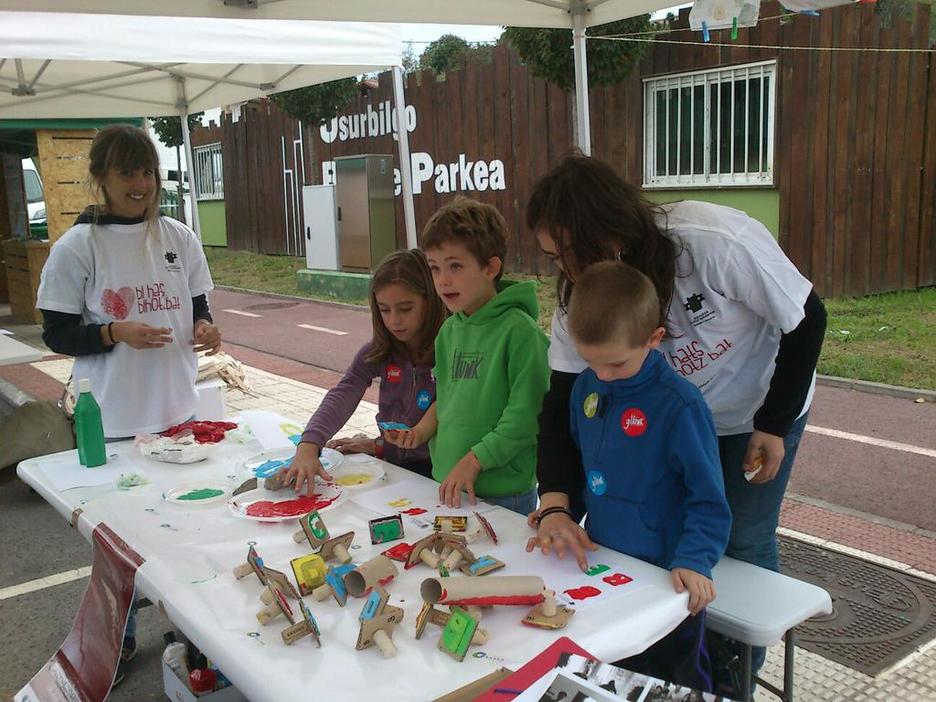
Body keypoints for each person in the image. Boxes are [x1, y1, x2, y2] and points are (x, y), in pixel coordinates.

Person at [526, 155, 827, 681]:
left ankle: (737, 674)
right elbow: (563, 401)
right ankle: (681, 653)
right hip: (670, 418)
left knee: (742, 538)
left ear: (610, 231)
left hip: (755, 408)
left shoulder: (712, 242)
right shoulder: (586, 297)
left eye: (569, 254)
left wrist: (773, 423)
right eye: (554, 259)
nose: (566, 273)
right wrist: (555, 500)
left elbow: (807, 318)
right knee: (667, 537)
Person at [36, 123, 221, 683]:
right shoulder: (78, 247)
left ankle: (187, 635)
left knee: (185, 536)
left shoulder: (178, 237)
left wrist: (207, 326)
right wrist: (115, 332)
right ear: (101, 179)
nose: (139, 184)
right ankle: (117, 644)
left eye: (147, 172)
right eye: (126, 173)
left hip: (179, 417)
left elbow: (198, 304)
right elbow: (57, 333)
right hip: (113, 424)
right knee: (119, 549)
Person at [529, 261, 731, 690]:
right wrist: (559, 515)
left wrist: (695, 559)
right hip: (608, 568)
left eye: (616, 364)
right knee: (613, 674)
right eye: (590, 362)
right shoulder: (587, 387)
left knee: (674, 680)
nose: (603, 376)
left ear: (654, 338)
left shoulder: (681, 406)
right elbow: (589, 468)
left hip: (667, 582)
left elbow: (709, 499)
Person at [389, 197, 550, 516]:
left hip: (503, 494)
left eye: (455, 266)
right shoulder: (449, 332)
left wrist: (475, 460)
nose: (443, 280)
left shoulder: (521, 333)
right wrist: (420, 431)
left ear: (490, 267)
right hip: (450, 483)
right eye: (435, 268)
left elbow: (525, 417)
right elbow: (447, 398)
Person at [284, 249, 448, 492]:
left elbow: (450, 417)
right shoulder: (379, 350)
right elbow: (344, 393)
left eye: (405, 308)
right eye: (384, 309)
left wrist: (377, 445)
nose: (394, 321)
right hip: (394, 469)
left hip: (443, 474)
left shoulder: (451, 349)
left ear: (431, 301)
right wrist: (309, 444)